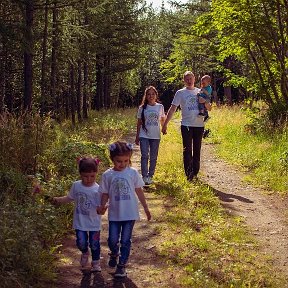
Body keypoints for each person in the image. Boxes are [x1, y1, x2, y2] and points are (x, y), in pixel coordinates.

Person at [97, 141, 151, 278]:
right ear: (112, 159)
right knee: (112, 240)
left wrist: (146, 208)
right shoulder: (107, 175)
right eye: (119, 161)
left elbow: (139, 191)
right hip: (115, 214)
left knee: (126, 240)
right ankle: (114, 252)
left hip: (130, 213)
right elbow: (104, 193)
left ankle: (121, 266)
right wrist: (102, 206)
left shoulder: (132, 173)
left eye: (126, 160)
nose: (122, 164)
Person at [53, 157, 103, 272]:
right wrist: (56, 200)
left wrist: (103, 209)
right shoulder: (76, 186)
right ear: (80, 174)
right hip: (80, 222)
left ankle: (95, 263)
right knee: (81, 242)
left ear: (96, 173)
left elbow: (103, 205)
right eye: (85, 176)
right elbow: (69, 198)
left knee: (95, 244)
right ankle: (85, 252)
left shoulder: (98, 190)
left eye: (92, 176)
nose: (89, 179)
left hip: (94, 223)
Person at [162, 71, 212, 181]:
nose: (189, 81)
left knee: (197, 149)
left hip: (199, 125)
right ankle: (189, 175)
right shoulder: (180, 93)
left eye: (191, 78)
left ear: (194, 79)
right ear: (184, 81)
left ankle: (195, 173)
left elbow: (209, 108)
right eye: (187, 79)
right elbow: (172, 109)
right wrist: (165, 124)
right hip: (186, 125)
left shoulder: (201, 91)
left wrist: (206, 102)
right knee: (187, 150)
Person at [135, 86, 166, 185]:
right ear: (146, 96)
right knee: (144, 155)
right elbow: (139, 123)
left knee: (153, 157)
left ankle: (150, 176)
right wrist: (137, 136)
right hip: (144, 135)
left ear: (156, 95)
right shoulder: (142, 108)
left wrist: (164, 128)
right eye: (149, 94)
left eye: (153, 94)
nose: (151, 96)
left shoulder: (160, 107)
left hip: (155, 136)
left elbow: (162, 119)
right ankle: (144, 176)